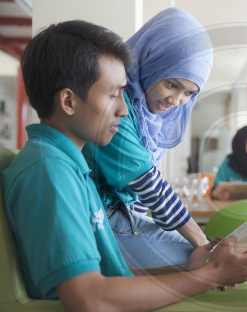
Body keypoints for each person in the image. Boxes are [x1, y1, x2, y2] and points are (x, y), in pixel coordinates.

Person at [2, 20, 247, 312]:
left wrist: (190, 270)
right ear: (68, 101)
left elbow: (112, 275)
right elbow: (91, 302)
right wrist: (209, 275)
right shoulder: (50, 172)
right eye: (114, 95)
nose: (125, 111)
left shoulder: (72, 167)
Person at [82, 8, 214, 269]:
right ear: (152, 62)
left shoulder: (147, 115)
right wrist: (202, 242)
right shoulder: (113, 104)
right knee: (205, 262)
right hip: (97, 219)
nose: (176, 101)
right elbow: (148, 184)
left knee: (203, 256)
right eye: (172, 85)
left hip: (122, 216)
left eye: (189, 93)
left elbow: (141, 198)